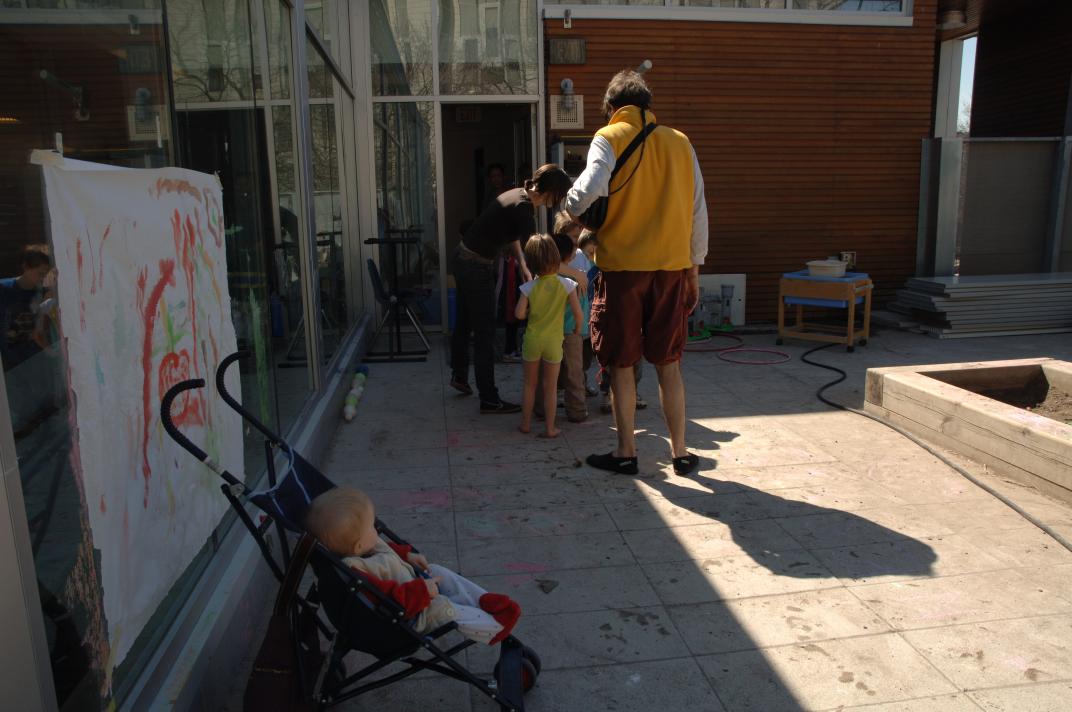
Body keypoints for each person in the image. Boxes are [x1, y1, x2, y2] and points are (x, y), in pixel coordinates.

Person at [565, 70, 708, 476]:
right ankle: (681, 453)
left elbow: (587, 191)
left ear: (612, 107)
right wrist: (693, 270)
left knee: (621, 363)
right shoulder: (680, 142)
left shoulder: (608, 136)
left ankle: (626, 452)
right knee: (669, 364)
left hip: (624, 269)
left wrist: (570, 206)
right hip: (671, 268)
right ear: (647, 104)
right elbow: (698, 210)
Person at [304, 486, 521, 645]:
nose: (375, 528)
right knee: (444, 608)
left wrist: (406, 555)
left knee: (436, 570)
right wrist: (422, 592)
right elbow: (387, 597)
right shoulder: (356, 570)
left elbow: (384, 552)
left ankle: (480, 599)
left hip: (414, 588)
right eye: (371, 526)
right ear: (359, 545)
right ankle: (491, 628)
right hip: (410, 615)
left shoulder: (360, 546)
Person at [450, 164, 573, 414]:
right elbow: (540, 252)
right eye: (559, 195)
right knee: (485, 333)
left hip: (463, 258)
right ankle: (489, 399)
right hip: (476, 266)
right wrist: (573, 274)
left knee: (464, 321)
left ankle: (459, 375)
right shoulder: (524, 208)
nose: (558, 201)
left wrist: (522, 265)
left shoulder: (518, 195)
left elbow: (512, 236)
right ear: (551, 191)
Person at [515, 234, 582, 438]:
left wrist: (529, 311)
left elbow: (518, 314)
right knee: (550, 387)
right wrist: (577, 329)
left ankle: (525, 424)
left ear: (531, 261)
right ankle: (550, 428)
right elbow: (578, 315)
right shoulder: (567, 285)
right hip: (554, 342)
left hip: (532, 340)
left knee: (530, 384)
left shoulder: (528, 287)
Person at [0, 245, 52, 371]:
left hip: (37, 364)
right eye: (40, 274)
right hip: (8, 366)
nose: (43, 278)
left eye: (46, 274)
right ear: (26, 267)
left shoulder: (45, 294)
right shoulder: (3, 289)